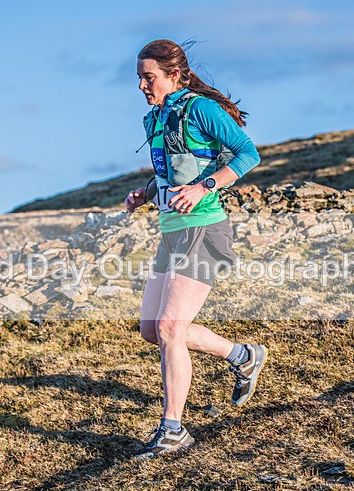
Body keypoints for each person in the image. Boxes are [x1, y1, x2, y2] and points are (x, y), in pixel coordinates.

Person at [125, 39, 267, 459]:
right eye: (139, 79)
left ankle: (173, 430)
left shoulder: (201, 110)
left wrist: (205, 186)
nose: (142, 86)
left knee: (170, 329)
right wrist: (146, 193)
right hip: (171, 232)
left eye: (148, 77)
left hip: (204, 229)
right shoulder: (154, 118)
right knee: (154, 330)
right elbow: (169, 172)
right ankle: (243, 355)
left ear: (174, 75)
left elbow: (248, 153)